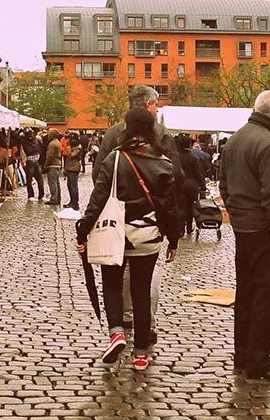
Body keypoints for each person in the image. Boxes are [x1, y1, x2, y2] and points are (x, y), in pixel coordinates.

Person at [76, 107, 180, 371]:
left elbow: (99, 198)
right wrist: (174, 239)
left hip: (115, 234)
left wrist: (83, 229)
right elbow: (170, 207)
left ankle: (117, 333)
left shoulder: (115, 159)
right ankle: (141, 354)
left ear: (127, 128)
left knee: (111, 286)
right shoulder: (164, 163)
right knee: (141, 293)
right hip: (148, 237)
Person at [219, 90, 270, 381]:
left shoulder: (235, 140)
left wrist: (237, 213)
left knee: (246, 293)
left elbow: (224, 185)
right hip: (266, 230)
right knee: (266, 295)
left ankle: (243, 354)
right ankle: (259, 360)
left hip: (245, 227)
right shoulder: (269, 144)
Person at [93, 85, 183, 339]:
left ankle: (124, 319)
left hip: (117, 217)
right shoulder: (161, 134)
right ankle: (147, 326)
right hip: (149, 219)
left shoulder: (112, 133)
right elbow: (176, 176)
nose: (157, 109)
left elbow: (99, 172)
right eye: (156, 105)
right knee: (146, 277)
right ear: (148, 105)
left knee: (119, 270)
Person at [176, 135, 206, 235]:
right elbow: (198, 173)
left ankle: (180, 229)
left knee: (180, 207)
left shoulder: (175, 156)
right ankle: (189, 228)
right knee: (190, 206)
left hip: (179, 184)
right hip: (191, 185)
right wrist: (203, 186)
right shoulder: (193, 157)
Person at [21, 129, 44, 201]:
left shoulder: (24, 140)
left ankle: (31, 195)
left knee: (29, 180)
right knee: (40, 180)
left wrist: (21, 130)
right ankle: (41, 195)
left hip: (30, 161)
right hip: (37, 161)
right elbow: (42, 149)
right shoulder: (37, 140)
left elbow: (15, 135)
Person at [42, 128, 63, 206]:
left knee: (52, 183)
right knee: (56, 182)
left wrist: (46, 166)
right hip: (57, 164)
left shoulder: (52, 144)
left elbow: (49, 156)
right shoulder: (58, 142)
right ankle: (58, 198)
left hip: (53, 164)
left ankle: (54, 199)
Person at [64, 132, 83, 210]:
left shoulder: (78, 148)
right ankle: (72, 201)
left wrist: (69, 148)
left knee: (73, 186)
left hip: (74, 168)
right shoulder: (74, 147)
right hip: (70, 168)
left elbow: (71, 155)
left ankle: (75, 203)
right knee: (69, 186)